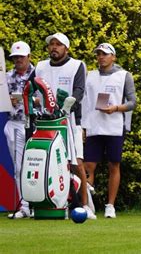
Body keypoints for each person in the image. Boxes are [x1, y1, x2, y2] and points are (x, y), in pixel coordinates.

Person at [31, 33, 96, 219]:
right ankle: (52, 204)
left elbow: (79, 92)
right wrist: (34, 101)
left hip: (70, 120)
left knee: (76, 164)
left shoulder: (77, 65)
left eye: (58, 44)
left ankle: (85, 205)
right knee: (49, 163)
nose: (54, 47)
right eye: (51, 44)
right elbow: (32, 89)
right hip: (45, 122)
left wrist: (68, 105)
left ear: (66, 48)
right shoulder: (41, 66)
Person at [82, 43, 136, 218]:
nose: (101, 57)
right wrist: (82, 126)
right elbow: (84, 102)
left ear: (113, 57)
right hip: (93, 126)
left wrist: (116, 108)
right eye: (98, 54)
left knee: (114, 165)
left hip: (114, 127)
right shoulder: (90, 75)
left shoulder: (124, 76)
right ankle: (87, 204)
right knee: (88, 165)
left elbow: (132, 102)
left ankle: (110, 206)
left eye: (105, 54)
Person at [5, 41, 35, 219]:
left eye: (21, 56)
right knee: (19, 167)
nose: (18, 60)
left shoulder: (39, 74)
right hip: (15, 123)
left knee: (37, 165)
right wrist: (8, 101)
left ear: (28, 57)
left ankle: (39, 203)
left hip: (35, 123)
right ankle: (24, 206)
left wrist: (34, 101)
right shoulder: (7, 77)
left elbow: (48, 98)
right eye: (15, 57)